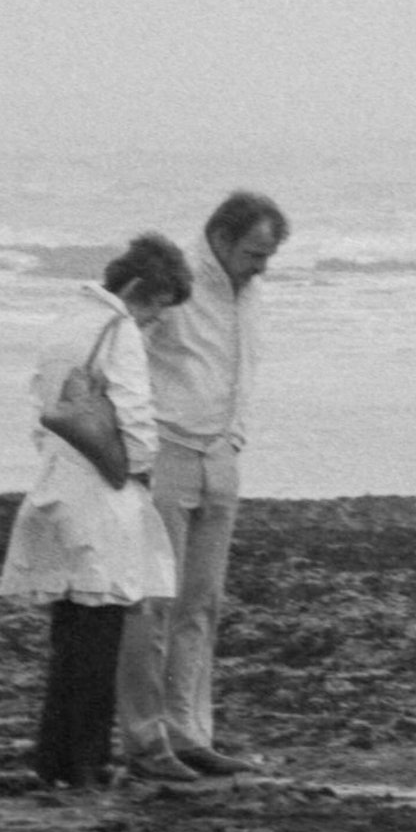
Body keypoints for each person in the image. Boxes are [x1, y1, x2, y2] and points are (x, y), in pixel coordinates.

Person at [0, 234, 195, 789]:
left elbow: (43, 408)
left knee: (70, 634)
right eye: (156, 306)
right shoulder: (119, 331)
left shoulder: (67, 321)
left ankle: (54, 760)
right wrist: (138, 463)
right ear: (136, 290)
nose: (154, 321)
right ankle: (85, 765)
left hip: (56, 484)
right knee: (99, 635)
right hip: (101, 498)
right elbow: (135, 424)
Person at [119, 190, 288, 781]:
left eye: (268, 256)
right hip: (167, 448)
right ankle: (149, 738)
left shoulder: (252, 293)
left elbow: (244, 371)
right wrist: (141, 440)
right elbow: (126, 345)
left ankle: (191, 732)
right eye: (253, 253)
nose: (261, 266)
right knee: (156, 601)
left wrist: (235, 438)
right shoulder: (178, 277)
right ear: (219, 238)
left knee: (203, 602)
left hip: (221, 454)